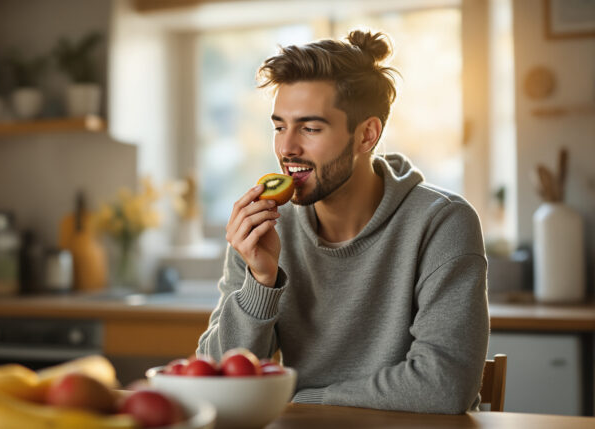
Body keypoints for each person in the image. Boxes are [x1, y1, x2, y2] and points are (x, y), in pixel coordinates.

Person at [196, 30, 489, 414]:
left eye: (310, 128)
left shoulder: (441, 222)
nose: (286, 148)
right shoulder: (264, 228)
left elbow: (444, 386)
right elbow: (215, 380)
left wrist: (305, 400)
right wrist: (261, 281)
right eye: (280, 127)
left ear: (366, 135)